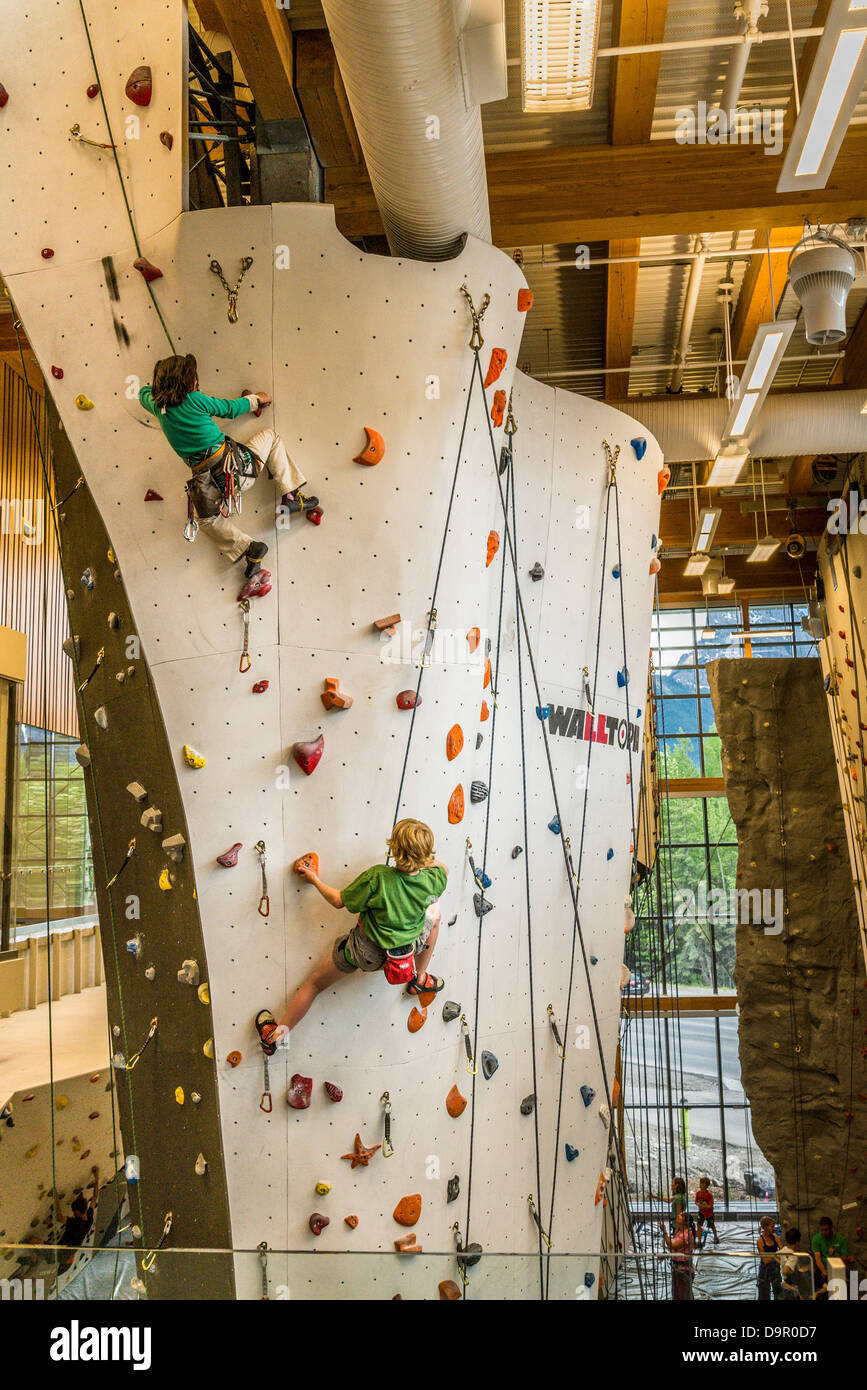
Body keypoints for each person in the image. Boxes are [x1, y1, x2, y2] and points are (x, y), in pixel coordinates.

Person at [256, 819, 448, 1045]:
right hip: (405, 953)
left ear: (395, 848)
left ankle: (274, 1039)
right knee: (435, 917)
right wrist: (420, 856)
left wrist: (313, 879)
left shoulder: (379, 877)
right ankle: (420, 977)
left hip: (365, 953)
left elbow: (338, 901)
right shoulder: (434, 879)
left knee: (315, 984)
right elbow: (443, 867)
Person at [139, 354, 317, 597]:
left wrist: (160, 388)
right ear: (189, 382)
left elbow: (143, 393)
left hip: (210, 486)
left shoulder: (158, 406)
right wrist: (258, 399)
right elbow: (231, 409)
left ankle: (249, 548)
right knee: (271, 437)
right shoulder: (196, 400)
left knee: (206, 521)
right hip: (238, 470)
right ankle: (291, 495)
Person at [55, 1166, 100, 1270]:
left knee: (32, 1241)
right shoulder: (88, 1217)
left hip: (61, 1252)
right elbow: (94, 1197)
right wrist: (96, 1177)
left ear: (78, 1212)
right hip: (68, 1250)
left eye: (74, 1212)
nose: (73, 1214)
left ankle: (34, 1260)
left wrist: (56, 1199)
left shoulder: (79, 1223)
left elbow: (59, 1218)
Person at [659, 1208, 695, 1300]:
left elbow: (671, 1245)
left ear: (685, 1221)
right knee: (677, 1295)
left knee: (683, 1296)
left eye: (681, 1215)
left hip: (684, 1270)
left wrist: (664, 1231)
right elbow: (675, 1249)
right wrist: (666, 1255)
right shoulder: (680, 1231)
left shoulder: (686, 1235)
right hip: (677, 1269)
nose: (678, 1215)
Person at [811, 1215, 850, 1296]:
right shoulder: (816, 1239)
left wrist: (835, 1253)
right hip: (823, 1270)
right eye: (822, 1230)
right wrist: (823, 1270)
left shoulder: (841, 1239)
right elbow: (817, 1259)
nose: (824, 1232)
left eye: (826, 1230)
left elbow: (845, 1260)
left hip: (838, 1271)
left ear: (831, 1228)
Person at [779, 1227, 814, 1300]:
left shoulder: (784, 1249)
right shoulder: (793, 1256)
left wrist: (783, 1263)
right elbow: (785, 1271)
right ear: (797, 1242)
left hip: (785, 1285)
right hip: (791, 1285)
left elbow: (774, 1256)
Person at [756, 1215, 783, 1300]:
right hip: (764, 1271)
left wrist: (774, 1256)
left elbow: (782, 1252)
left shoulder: (776, 1238)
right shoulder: (760, 1241)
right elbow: (765, 1260)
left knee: (779, 1293)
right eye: (772, 1227)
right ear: (765, 1227)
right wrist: (776, 1256)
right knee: (763, 1294)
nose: (774, 1228)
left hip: (775, 1269)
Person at [695, 1176, 719, 1246]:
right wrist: (698, 1204)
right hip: (701, 1212)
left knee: (712, 1225)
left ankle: (715, 1237)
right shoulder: (698, 1193)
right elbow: (696, 1201)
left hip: (709, 1214)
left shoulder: (709, 1195)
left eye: (702, 1184)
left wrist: (704, 1206)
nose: (700, 1185)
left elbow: (711, 1205)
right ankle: (699, 1240)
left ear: (706, 1186)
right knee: (699, 1225)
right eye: (700, 1183)